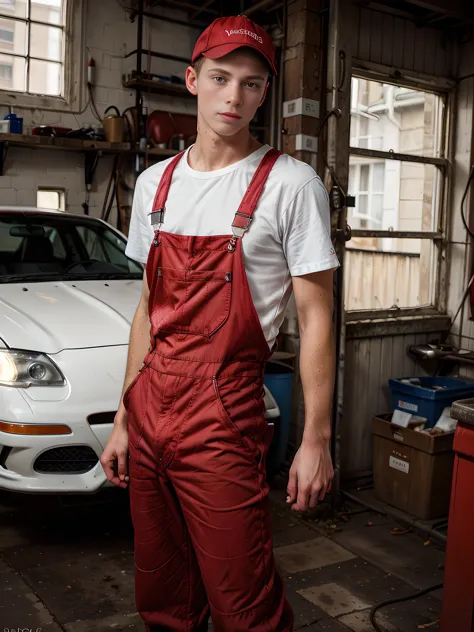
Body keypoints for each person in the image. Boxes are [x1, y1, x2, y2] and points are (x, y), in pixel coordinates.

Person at [100, 13, 339, 632]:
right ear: (192, 79)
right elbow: (146, 312)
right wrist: (125, 417)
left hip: (223, 417)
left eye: (253, 84)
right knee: (164, 595)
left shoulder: (291, 184)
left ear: (265, 93)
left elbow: (316, 318)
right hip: (150, 411)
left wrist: (316, 439)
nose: (234, 97)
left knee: (245, 604)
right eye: (220, 77)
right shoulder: (155, 183)